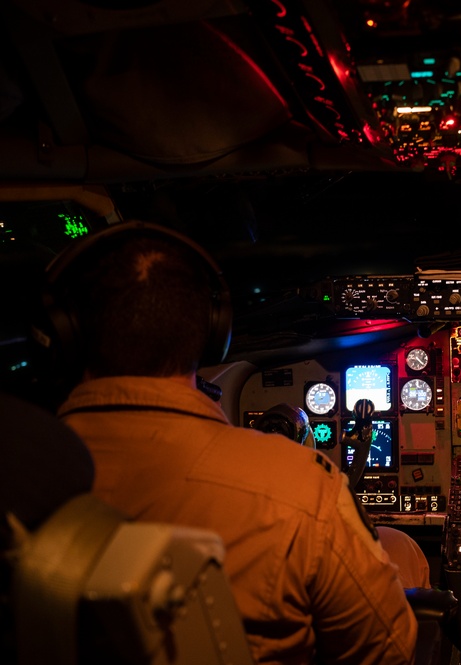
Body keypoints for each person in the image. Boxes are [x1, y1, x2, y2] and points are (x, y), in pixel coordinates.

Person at [44, 222, 417, 665]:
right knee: (397, 547)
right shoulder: (298, 486)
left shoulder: (21, 466)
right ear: (213, 334)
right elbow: (389, 651)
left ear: (66, 334)